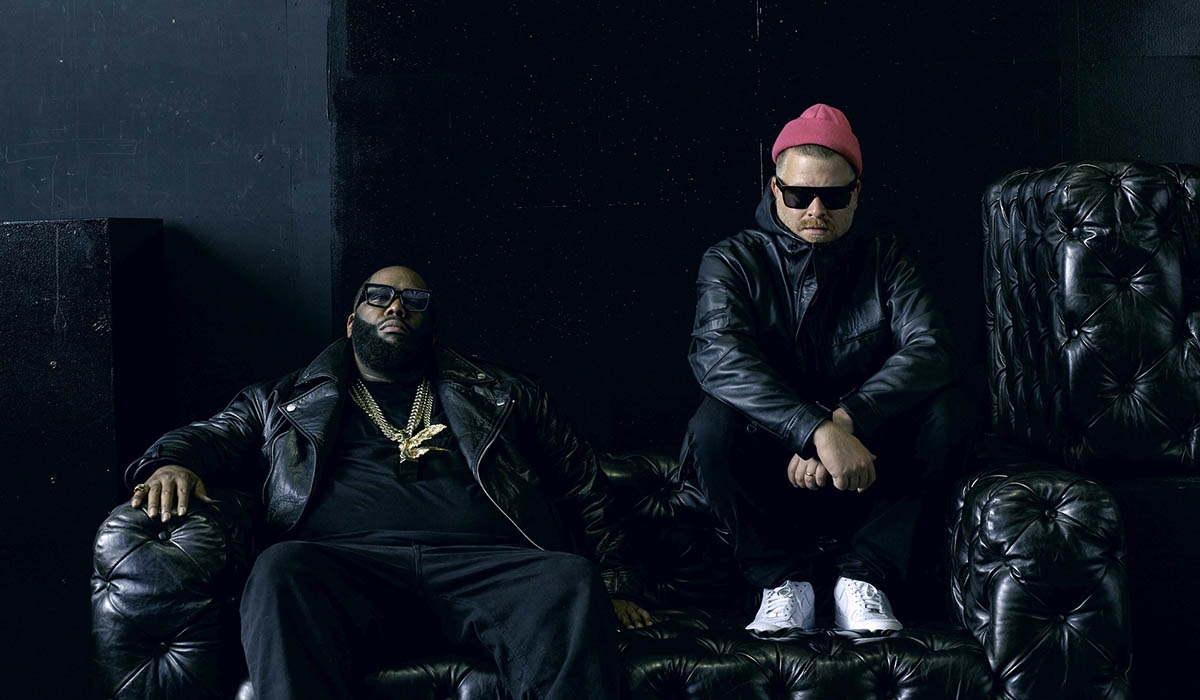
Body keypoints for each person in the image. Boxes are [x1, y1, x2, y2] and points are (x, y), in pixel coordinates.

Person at [127, 265, 652, 700]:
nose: (396, 306)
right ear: (352, 322)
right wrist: (172, 463)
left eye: (413, 300)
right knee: (280, 568)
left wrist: (616, 582)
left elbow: (580, 479)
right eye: (378, 297)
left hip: (481, 567)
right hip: (349, 567)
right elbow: (213, 435)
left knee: (569, 579)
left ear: (431, 326)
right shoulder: (283, 398)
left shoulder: (505, 392)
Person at [680, 103, 967, 635]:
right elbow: (719, 356)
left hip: (869, 460)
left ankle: (865, 577)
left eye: (833, 197)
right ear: (774, 189)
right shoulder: (732, 260)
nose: (816, 210)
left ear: (856, 193)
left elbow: (930, 348)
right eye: (798, 195)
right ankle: (781, 582)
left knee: (946, 410)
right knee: (710, 426)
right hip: (769, 461)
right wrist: (812, 431)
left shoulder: (887, 258)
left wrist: (845, 422)